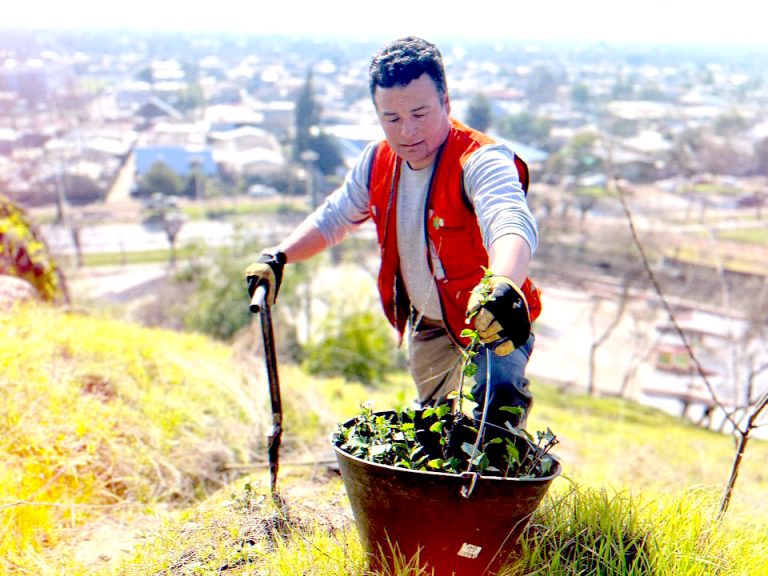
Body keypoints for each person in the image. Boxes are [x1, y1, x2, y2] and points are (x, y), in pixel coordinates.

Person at [246, 36, 541, 428]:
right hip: (428, 322)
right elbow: (334, 217)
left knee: (497, 423)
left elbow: (508, 219)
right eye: (392, 119)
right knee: (434, 428)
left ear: (446, 102)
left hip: (494, 316)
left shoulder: (479, 159)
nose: (407, 132)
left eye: (420, 114)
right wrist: (279, 257)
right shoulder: (378, 161)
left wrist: (503, 284)